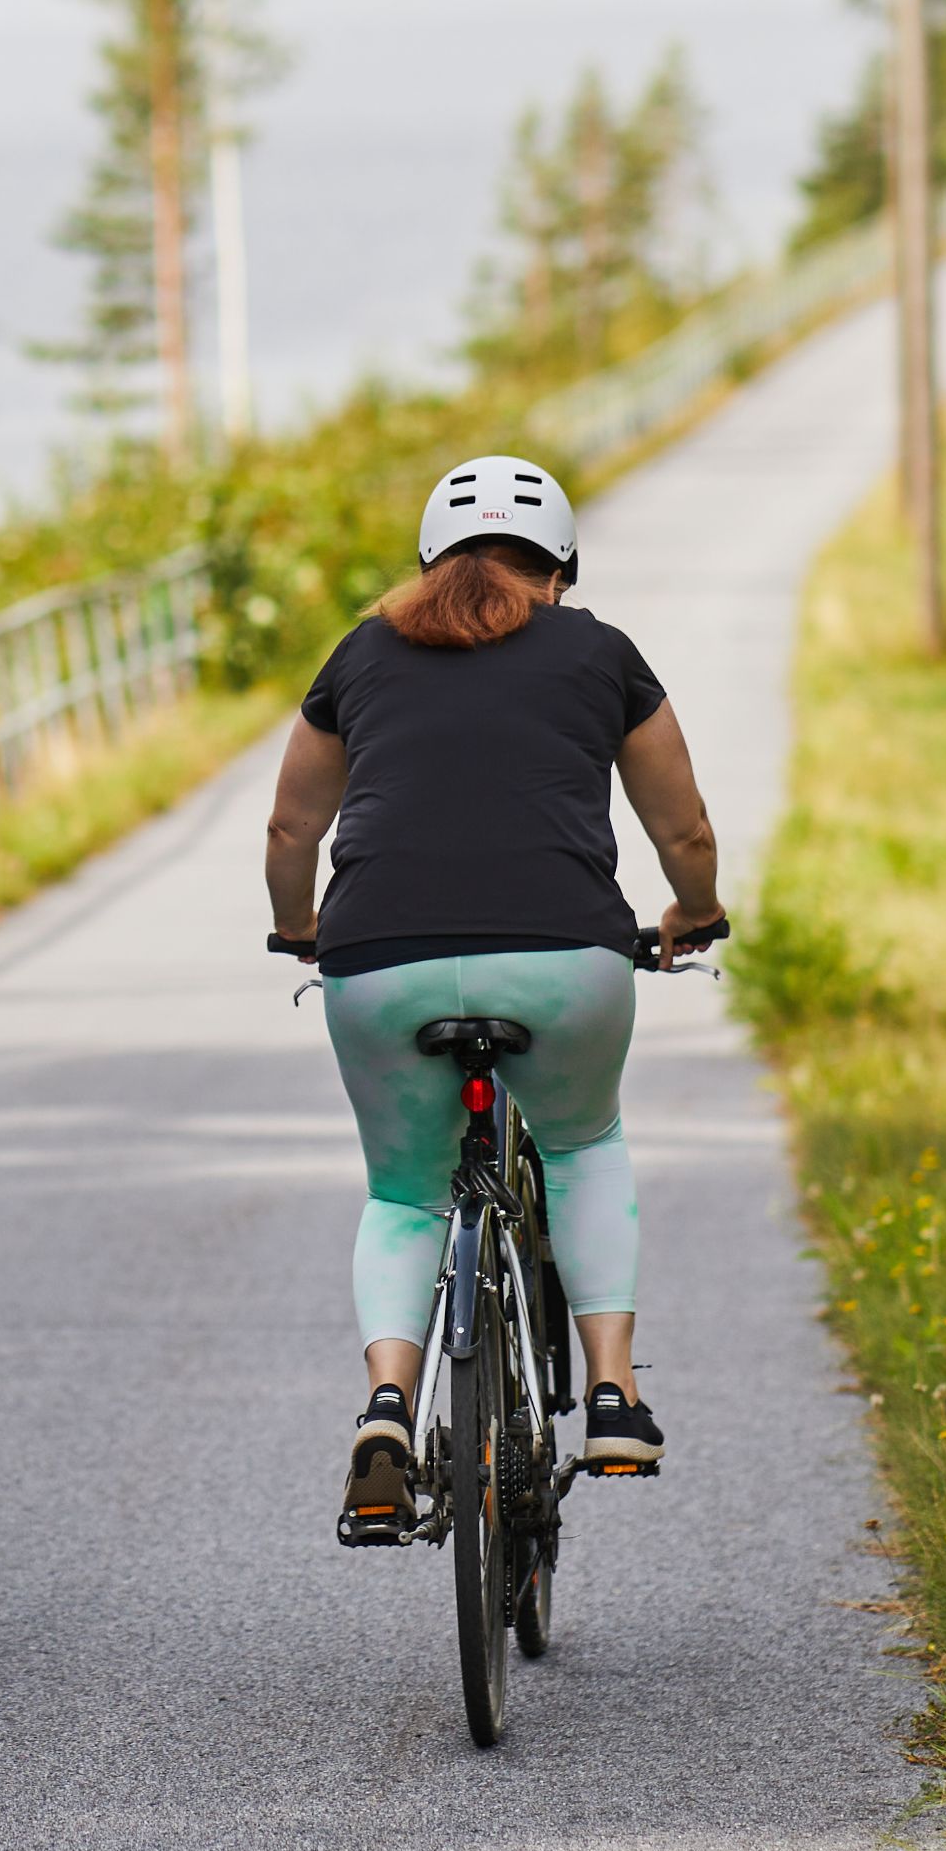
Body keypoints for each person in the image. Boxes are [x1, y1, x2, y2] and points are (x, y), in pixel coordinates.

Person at [259, 453, 723, 1532]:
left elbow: (291, 827)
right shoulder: (601, 652)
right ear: (560, 568)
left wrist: (300, 927)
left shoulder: (361, 652)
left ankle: (387, 1409)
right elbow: (685, 829)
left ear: (431, 560)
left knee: (405, 1195)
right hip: (566, 958)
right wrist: (693, 911)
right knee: (582, 1145)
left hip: (380, 959)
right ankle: (612, 1395)